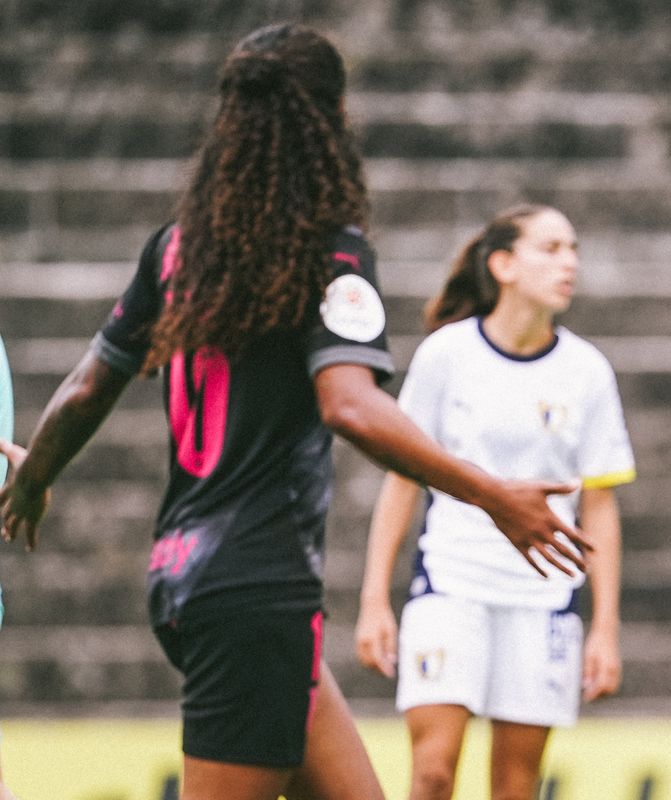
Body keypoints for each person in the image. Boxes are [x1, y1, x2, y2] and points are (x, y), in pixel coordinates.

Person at [0, 24, 591, 800]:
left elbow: (85, 387)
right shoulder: (329, 253)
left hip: (186, 574)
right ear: (329, 119)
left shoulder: (176, 250)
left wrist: (35, 478)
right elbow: (349, 404)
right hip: (255, 590)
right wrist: (492, 495)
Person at [354, 204, 635, 800]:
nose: (569, 263)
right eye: (552, 248)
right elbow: (403, 477)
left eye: (574, 250)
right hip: (450, 588)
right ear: (503, 264)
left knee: (515, 787)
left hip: (543, 599)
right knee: (431, 773)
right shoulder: (446, 355)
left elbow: (600, 507)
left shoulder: (587, 371)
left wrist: (604, 628)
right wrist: (375, 597)